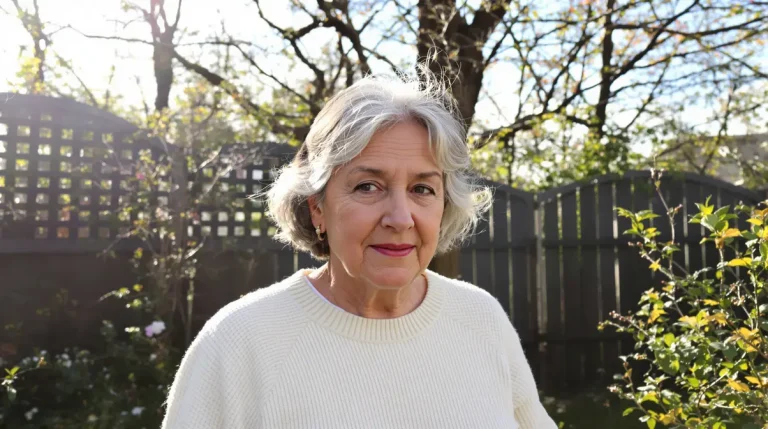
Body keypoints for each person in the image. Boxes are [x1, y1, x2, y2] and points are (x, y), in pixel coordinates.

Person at [161, 69, 557, 429]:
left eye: (423, 189)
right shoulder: (238, 342)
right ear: (317, 206)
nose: (400, 218)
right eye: (368, 186)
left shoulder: (480, 318)